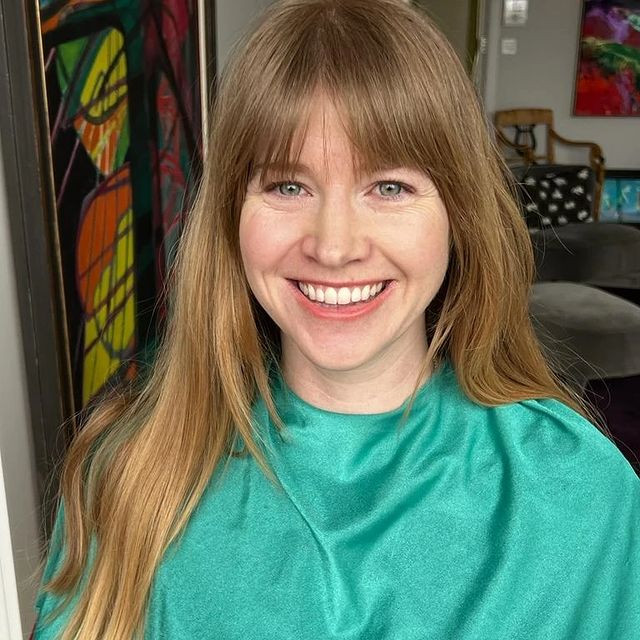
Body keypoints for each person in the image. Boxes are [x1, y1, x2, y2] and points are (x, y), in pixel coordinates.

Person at [34, 1, 640, 638]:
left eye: (389, 187)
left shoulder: (578, 491)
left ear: (458, 215)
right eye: (287, 186)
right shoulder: (128, 474)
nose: (333, 246)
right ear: (231, 216)